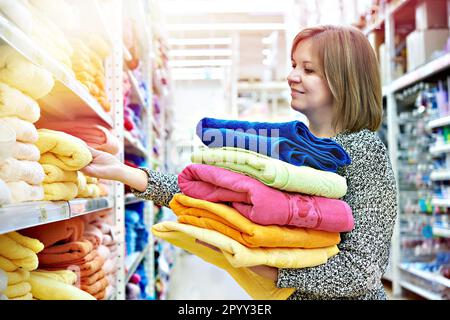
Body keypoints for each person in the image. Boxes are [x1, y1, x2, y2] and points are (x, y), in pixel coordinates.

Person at [82, 25, 398, 300]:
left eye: (308, 69)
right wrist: (123, 173)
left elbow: (362, 270)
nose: (291, 76)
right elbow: (218, 193)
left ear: (343, 79)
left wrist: (260, 264)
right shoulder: (296, 148)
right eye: (292, 65)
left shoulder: (363, 150)